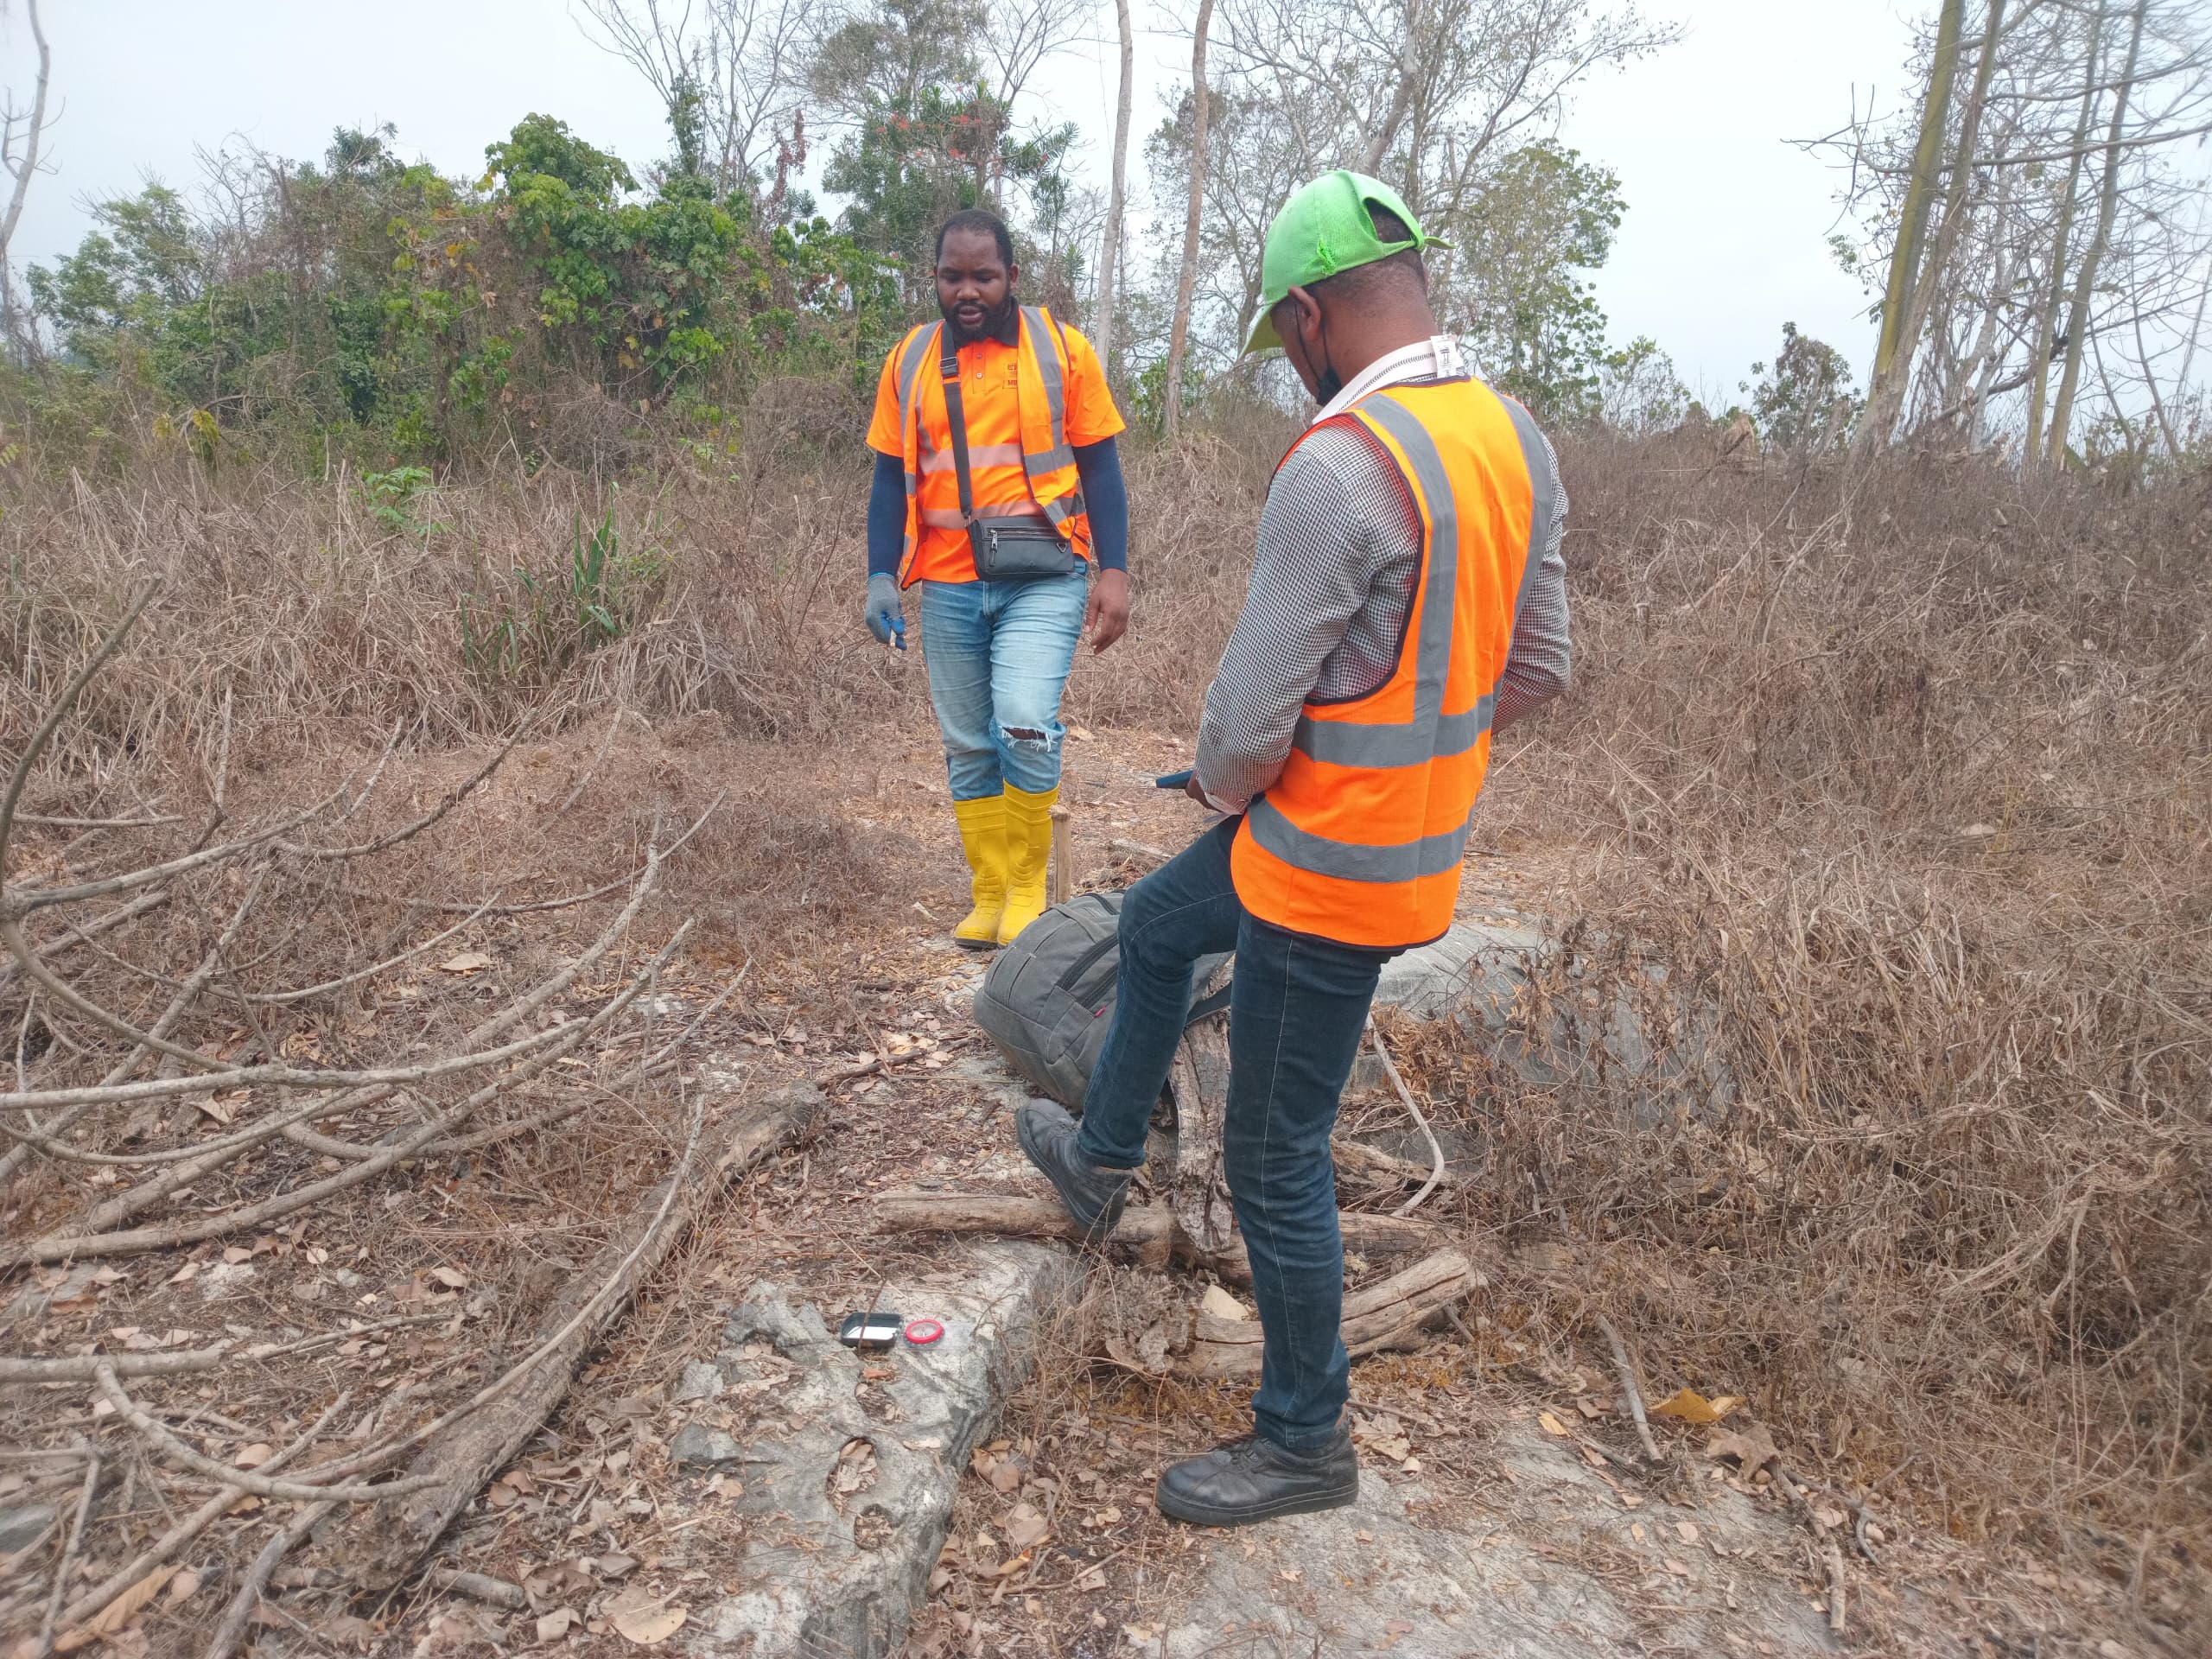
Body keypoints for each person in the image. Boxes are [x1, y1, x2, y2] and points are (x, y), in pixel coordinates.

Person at [1015, 171, 1572, 1527]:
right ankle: (1100, 1161)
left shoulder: (1341, 467)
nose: (1287, 364)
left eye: (1283, 338)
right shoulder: (1514, 438)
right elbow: (1541, 667)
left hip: (1324, 865)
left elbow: (1246, 722)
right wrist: (1399, 728)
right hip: (1396, 841)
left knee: (1274, 1156)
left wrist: (1227, 775)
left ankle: (1305, 1439)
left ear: (1314, 314)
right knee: (1153, 928)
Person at [863, 208, 1132, 949]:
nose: (968, 290)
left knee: (1022, 718)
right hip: (948, 581)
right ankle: (987, 893)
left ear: (1013, 277)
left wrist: (1115, 571)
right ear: (935, 281)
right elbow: (889, 480)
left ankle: (1025, 888)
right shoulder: (908, 361)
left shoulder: (1062, 352)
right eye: (954, 276)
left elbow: (1102, 469)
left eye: (984, 275)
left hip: (1046, 574)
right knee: (968, 742)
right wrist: (880, 576)